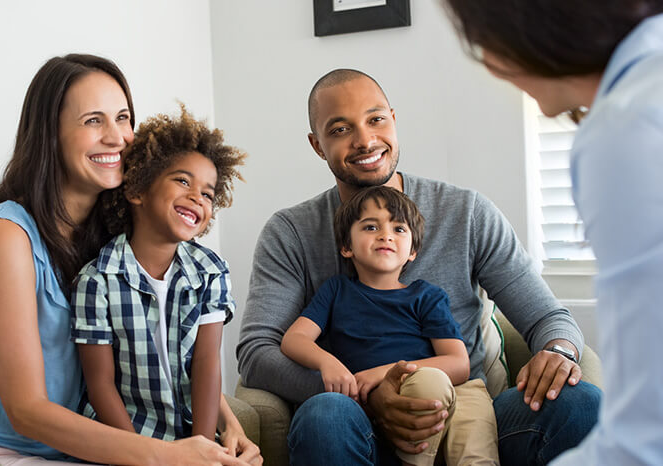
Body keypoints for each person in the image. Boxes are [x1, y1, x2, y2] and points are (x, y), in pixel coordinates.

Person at [237, 68, 601, 465]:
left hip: (463, 413)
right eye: (340, 129)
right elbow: (258, 352)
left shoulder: (466, 212)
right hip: (355, 422)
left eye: (375, 119)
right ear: (317, 145)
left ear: (393, 119)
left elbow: (547, 316)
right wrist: (369, 396)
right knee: (325, 416)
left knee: (581, 403)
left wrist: (558, 351)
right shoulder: (291, 232)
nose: (365, 140)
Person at [0, 54, 260, 466]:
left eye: (123, 118)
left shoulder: (117, 235)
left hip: (91, 450)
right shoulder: (7, 237)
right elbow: (25, 411)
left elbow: (168, 351)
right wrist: (164, 456)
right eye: (94, 121)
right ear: (50, 134)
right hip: (5, 451)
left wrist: (227, 424)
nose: (118, 137)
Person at [442, 1, 663, 464]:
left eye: (481, 37)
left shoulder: (625, 129)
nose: (486, 63)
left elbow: (645, 433)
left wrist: (559, 347)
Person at [281, 185, 499, 466]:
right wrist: (327, 362)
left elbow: (458, 364)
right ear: (346, 247)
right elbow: (294, 339)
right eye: (371, 227)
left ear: (413, 252)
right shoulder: (336, 291)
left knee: (471, 444)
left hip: (445, 392)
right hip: (372, 417)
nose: (386, 235)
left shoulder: (426, 296)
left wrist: (382, 373)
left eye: (399, 229)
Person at [71, 106, 246, 443]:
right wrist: (141, 455)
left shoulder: (210, 272)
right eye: (183, 180)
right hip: (126, 440)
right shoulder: (96, 282)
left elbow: (207, 367)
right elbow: (100, 386)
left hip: (190, 438)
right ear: (138, 190)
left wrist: (203, 447)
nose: (197, 196)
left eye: (208, 193)